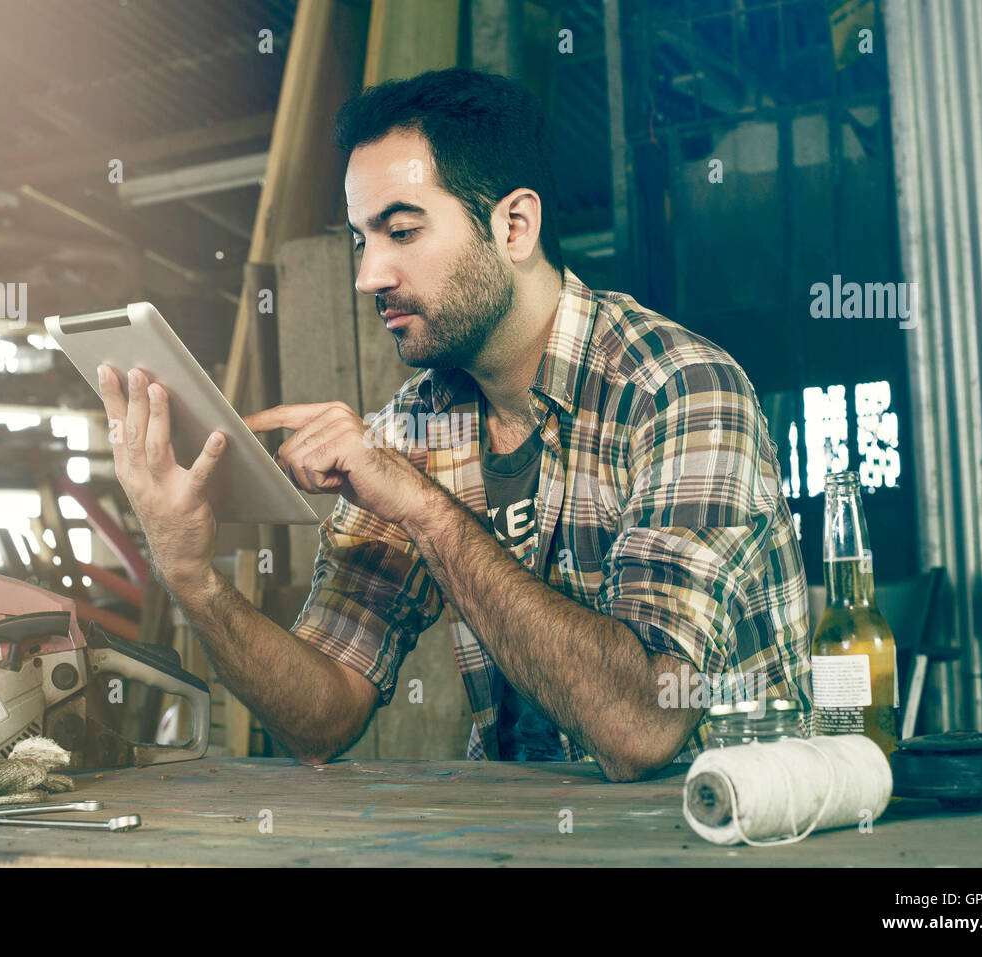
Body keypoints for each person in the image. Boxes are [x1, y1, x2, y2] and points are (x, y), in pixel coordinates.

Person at [97, 68, 809, 781]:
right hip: (521, 840)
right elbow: (320, 718)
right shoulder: (412, 427)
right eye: (360, 240)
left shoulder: (680, 392)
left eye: (402, 230)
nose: (369, 274)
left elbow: (644, 723)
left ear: (515, 226)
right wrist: (192, 576)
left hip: (728, 832)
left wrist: (422, 509)